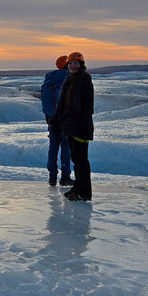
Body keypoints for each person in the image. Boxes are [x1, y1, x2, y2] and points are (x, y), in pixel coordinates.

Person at [54, 51, 93, 201]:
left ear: (81, 64)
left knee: (82, 161)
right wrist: (56, 119)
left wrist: (83, 125)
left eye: (75, 63)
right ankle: (77, 188)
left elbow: (88, 106)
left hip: (81, 127)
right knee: (76, 159)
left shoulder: (85, 79)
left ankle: (85, 193)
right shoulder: (69, 80)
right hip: (70, 126)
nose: (73, 65)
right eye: (70, 63)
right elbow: (62, 103)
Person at [40, 55, 72, 186]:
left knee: (53, 148)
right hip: (64, 120)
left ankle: (52, 177)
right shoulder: (67, 79)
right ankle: (65, 177)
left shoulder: (49, 80)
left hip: (51, 120)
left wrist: (49, 118)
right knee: (65, 149)